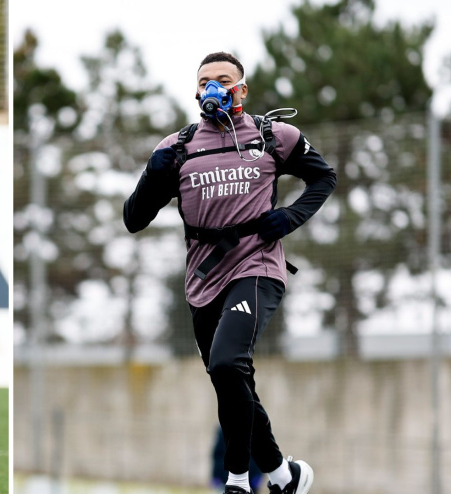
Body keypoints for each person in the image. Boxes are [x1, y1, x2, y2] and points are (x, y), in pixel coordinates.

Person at [123, 52, 336, 494]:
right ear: (196, 91)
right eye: (205, 81)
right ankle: (283, 475)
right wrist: (150, 175)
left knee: (225, 362)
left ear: (242, 88)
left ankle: (237, 480)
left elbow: (323, 178)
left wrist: (291, 216)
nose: (213, 88)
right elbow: (133, 219)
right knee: (231, 378)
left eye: (223, 79)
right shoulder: (176, 148)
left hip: (258, 266)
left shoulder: (273, 136)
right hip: (203, 280)